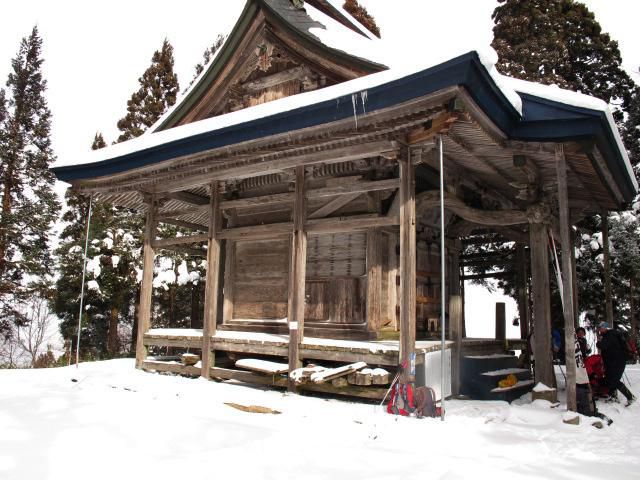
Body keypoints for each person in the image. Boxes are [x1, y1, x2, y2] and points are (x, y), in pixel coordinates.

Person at [596, 322, 636, 405]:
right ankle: (613, 396)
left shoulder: (609, 335)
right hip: (614, 361)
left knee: (614, 380)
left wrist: (598, 342)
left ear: (605, 328)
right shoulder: (612, 334)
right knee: (611, 378)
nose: (599, 330)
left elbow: (603, 346)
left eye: (600, 328)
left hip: (616, 362)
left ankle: (630, 397)